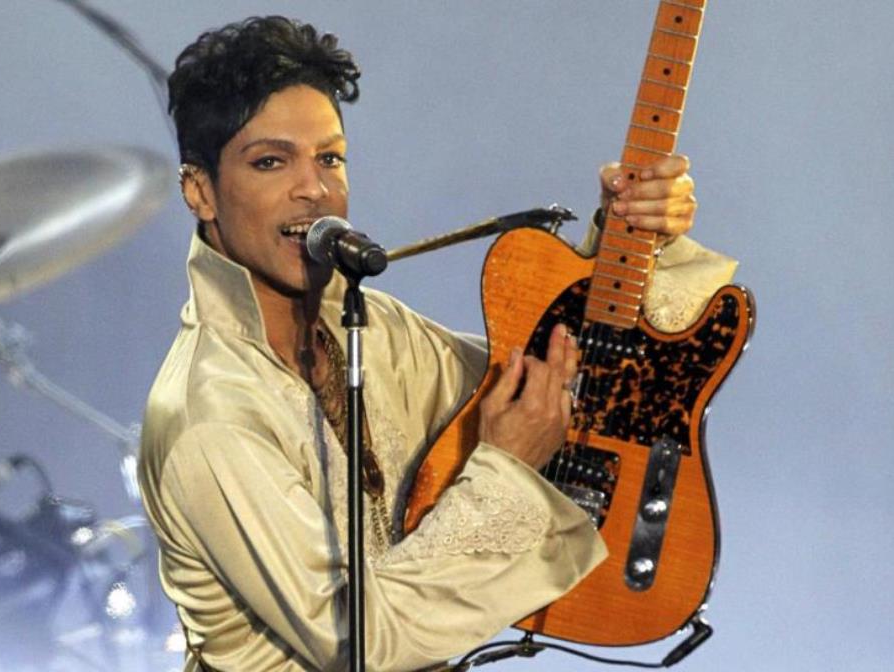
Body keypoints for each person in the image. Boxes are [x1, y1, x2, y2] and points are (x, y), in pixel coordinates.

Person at [139, 16, 737, 672]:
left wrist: (636, 237)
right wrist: (508, 466)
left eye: (330, 158)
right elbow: (359, 642)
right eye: (271, 162)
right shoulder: (209, 415)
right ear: (200, 191)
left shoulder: (372, 327)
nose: (314, 188)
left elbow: (565, 391)